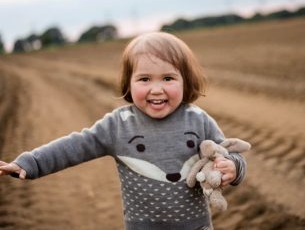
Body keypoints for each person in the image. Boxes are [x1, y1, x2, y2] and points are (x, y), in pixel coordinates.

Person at [0, 32, 246, 230]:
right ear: (128, 83)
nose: (157, 89)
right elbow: (75, 146)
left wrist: (232, 169)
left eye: (168, 78)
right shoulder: (118, 124)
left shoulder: (198, 119)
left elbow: (227, 153)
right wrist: (31, 162)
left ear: (186, 81)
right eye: (145, 79)